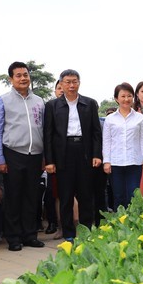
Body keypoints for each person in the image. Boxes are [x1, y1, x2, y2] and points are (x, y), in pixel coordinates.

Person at [44, 69, 102, 242]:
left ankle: (85, 232)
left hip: (84, 151)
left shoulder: (90, 104)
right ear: (61, 84)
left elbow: (96, 132)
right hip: (63, 153)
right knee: (66, 195)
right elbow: (48, 134)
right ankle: (68, 233)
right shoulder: (52, 106)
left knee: (86, 194)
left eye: (74, 81)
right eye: (67, 81)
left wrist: (97, 154)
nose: (71, 85)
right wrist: (50, 160)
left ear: (79, 83)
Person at [0, 61, 45, 251]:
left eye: (26, 75)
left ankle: (30, 235)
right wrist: (0, 159)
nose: (23, 78)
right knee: (13, 197)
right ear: (11, 79)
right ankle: (13, 237)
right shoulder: (3, 100)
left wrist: (45, 156)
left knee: (32, 196)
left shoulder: (39, 100)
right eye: (18, 75)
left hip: (35, 155)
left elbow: (43, 128)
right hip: (12, 153)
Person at [103, 82, 143, 210]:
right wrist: (106, 161)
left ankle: (133, 224)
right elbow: (106, 141)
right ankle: (119, 224)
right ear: (116, 99)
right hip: (115, 163)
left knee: (133, 195)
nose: (126, 99)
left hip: (134, 162)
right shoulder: (110, 119)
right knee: (118, 195)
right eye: (123, 96)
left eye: (129, 96)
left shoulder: (139, 118)